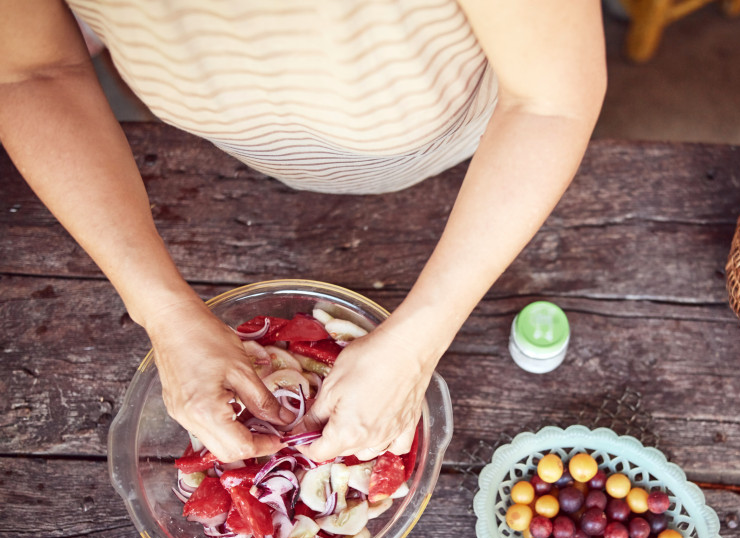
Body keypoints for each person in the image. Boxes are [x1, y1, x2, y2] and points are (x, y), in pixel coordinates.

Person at [0, 1, 607, 463]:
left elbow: (548, 101)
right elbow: (29, 74)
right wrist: (163, 313)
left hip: (467, 159)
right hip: (246, 163)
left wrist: (419, 339)